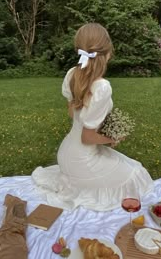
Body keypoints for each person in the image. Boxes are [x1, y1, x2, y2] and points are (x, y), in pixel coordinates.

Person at [32, 23, 153, 211]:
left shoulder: (72, 74)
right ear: (108, 52)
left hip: (66, 153)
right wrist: (112, 137)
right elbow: (87, 137)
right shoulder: (102, 86)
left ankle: (75, 174)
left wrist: (100, 126)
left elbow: (73, 114)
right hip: (82, 158)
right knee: (135, 174)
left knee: (128, 164)